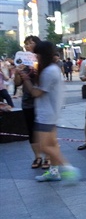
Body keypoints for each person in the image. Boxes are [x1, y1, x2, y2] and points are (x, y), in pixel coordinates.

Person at [18, 41, 80, 182]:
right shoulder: (53, 69)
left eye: (37, 54)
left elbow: (35, 93)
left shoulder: (48, 71)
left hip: (46, 114)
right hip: (51, 113)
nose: (35, 57)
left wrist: (25, 78)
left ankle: (69, 168)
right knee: (51, 145)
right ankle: (54, 171)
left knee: (44, 146)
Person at [13, 35, 51, 170]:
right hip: (28, 101)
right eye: (26, 44)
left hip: (43, 101)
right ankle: (38, 157)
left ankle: (48, 157)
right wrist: (18, 73)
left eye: (30, 43)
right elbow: (17, 83)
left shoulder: (45, 61)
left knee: (45, 130)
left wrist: (38, 71)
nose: (28, 46)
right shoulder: (22, 62)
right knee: (32, 130)